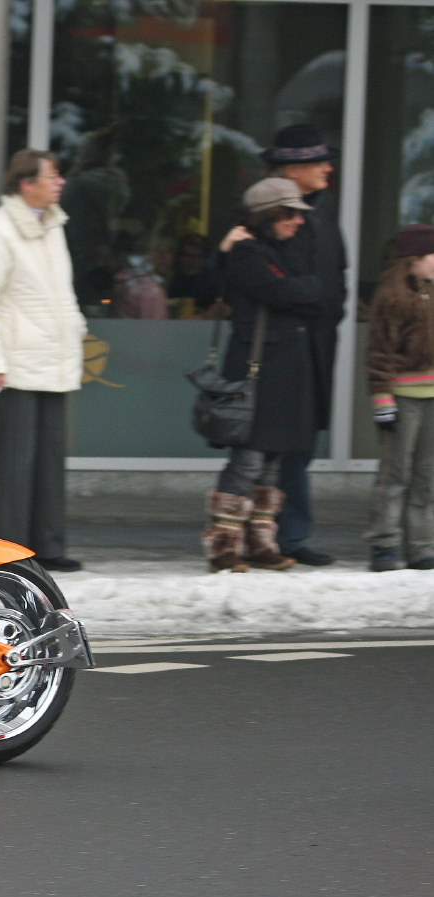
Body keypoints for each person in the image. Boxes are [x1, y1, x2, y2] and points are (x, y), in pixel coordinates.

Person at [217, 124, 347, 566]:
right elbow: (274, 286)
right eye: (319, 162)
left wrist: (324, 307)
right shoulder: (256, 219)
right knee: (260, 453)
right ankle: (260, 539)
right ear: (293, 170)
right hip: (270, 355)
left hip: (314, 346)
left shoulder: (323, 211)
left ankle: (279, 537)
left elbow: (331, 281)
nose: (328, 169)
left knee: (296, 445)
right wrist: (307, 295)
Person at [0, 149, 88, 572]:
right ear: (25, 184)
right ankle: (11, 552)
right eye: (52, 176)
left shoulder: (54, 227)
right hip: (15, 365)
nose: (60, 183)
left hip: (55, 362)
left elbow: (63, 294)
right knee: (16, 465)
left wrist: (76, 336)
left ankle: (49, 547)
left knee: (51, 460)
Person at [203, 178, 322, 573]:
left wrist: (300, 287)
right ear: (268, 214)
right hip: (258, 371)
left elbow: (312, 289)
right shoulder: (247, 252)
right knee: (249, 461)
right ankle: (223, 546)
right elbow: (287, 293)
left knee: (272, 461)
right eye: (289, 214)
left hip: (284, 372)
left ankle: (260, 541)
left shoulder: (277, 250)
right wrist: (300, 288)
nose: (297, 222)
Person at [364, 224, 434, 572]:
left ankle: (421, 546)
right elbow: (379, 353)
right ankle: (384, 543)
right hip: (403, 397)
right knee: (396, 474)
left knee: (426, 475)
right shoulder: (392, 297)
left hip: (432, 398)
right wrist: (382, 399)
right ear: (413, 260)